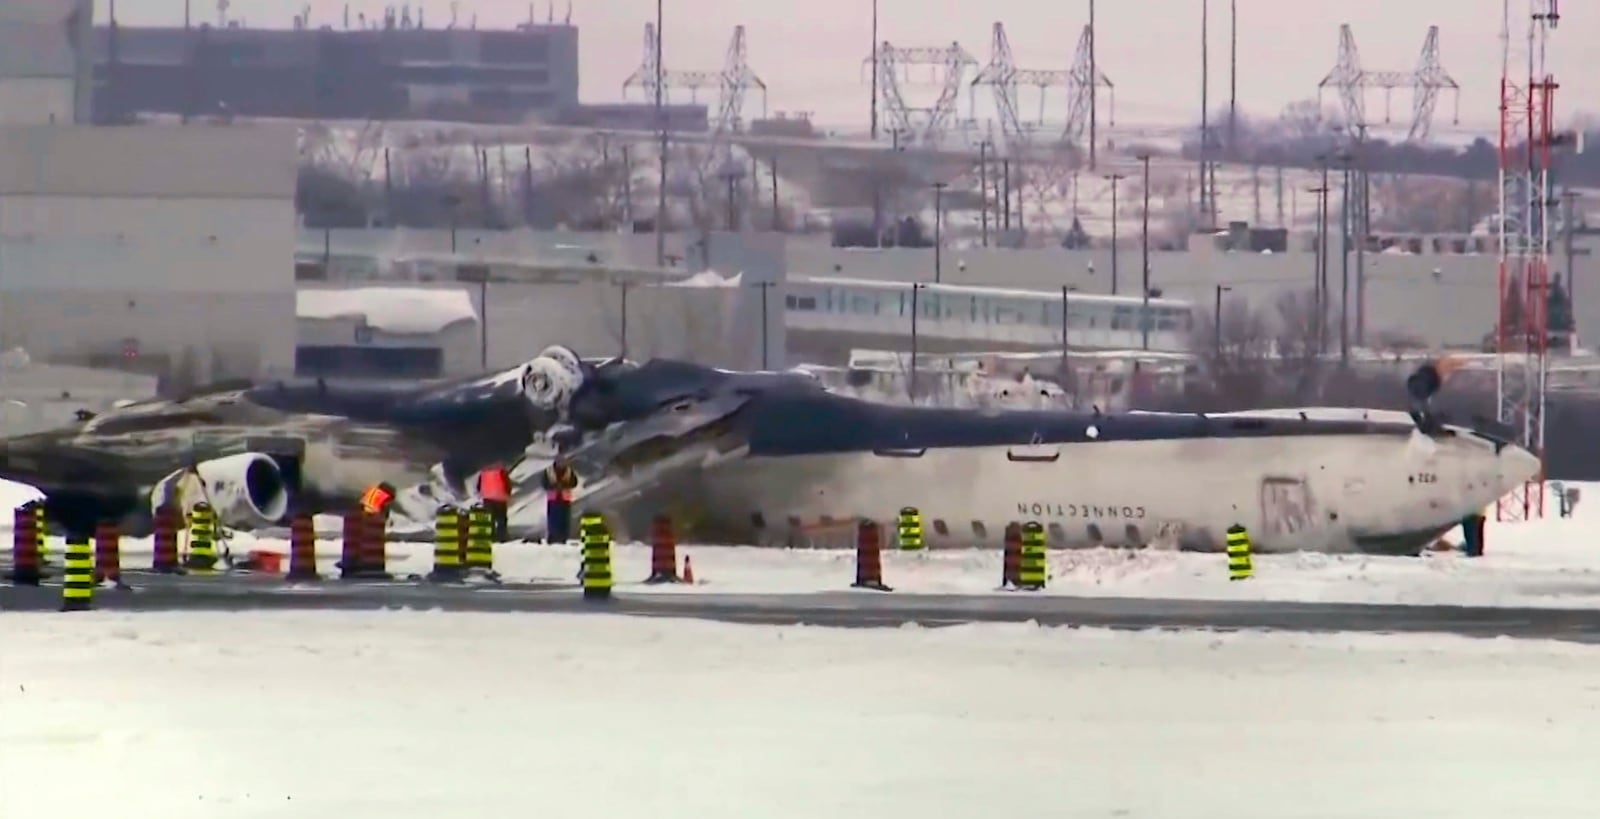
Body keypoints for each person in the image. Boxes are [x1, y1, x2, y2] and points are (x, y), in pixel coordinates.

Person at [540, 458, 579, 544]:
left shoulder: (569, 471)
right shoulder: (548, 471)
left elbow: (574, 482)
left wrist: (565, 485)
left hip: (565, 499)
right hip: (553, 499)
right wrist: (554, 486)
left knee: (564, 520)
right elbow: (544, 483)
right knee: (553, 519)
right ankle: (553, 537)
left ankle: (563, 537)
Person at [477, 463, 511, 542]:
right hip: (500, 497)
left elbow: (478, 485)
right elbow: (507, 483)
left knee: (489, 518)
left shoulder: (483, 472)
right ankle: (501, 537)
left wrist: (482, 493)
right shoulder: (501, 471)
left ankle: (490, 536)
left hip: (487, 498)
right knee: (501, 519)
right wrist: (508, 493)